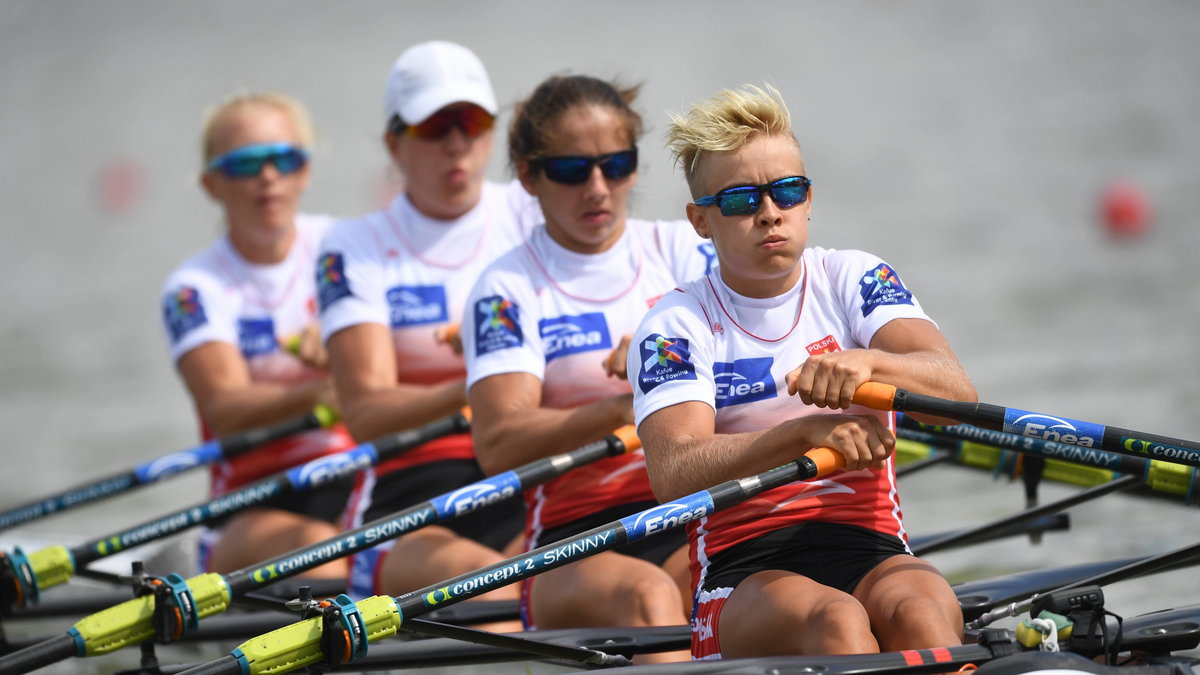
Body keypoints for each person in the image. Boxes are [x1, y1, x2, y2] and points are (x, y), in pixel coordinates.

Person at [629, 84, 977, 660]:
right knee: (838, 622)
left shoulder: (855, 279)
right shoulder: (675, 324)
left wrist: (869, 362)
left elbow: (956, 389)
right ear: (700, 221)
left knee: (922, 615)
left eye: (786, 191)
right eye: (741, 200)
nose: (770, 213)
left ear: (808, 198)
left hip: (872, 547)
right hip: (743, 572)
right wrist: (799, 433)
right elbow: (673, 472)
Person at [462, 75, 713, 661]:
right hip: (571, 543)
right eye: (573, 170)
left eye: (616, 164)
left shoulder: (685, 251)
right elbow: (498, 443)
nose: (597, 187)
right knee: (648, 597)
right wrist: (631, 403)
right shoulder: (506, 289)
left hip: (689, 513)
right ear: (529, 176)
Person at [316, 40, 540, 607]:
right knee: (511, 602)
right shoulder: (352, 248)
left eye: (473, 122)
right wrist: (488, 379)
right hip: (411, 498)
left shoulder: (536, 212)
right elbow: (365, 412)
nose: (459, 144)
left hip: (532, 474)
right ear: (395, 142)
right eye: (437, 127)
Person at [160, 92, 355, 578]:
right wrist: (327, 390)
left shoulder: (344, 249)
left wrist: (345, 342)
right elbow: (226, 408)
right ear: (211, 184)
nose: (268, 177)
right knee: (323, 552)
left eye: (284, 160)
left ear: (305, 172)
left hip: (354, 476)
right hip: (251, 499)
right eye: (246, 164)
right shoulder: (194, 288)